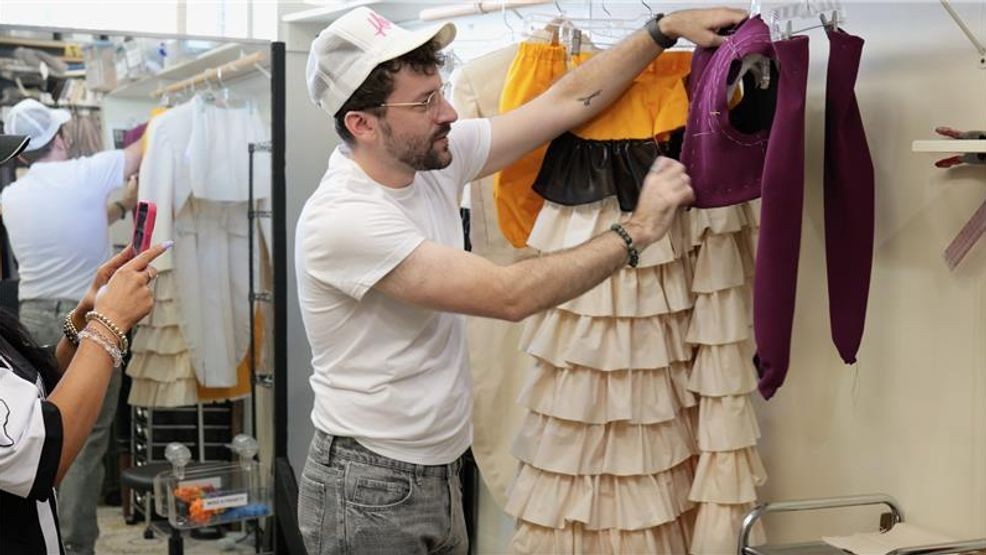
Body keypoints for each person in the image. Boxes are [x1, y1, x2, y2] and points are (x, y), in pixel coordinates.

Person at [296, 6, 746, 554]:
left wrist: (661, 31)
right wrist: (639, 229)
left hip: (431, 470)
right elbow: (510, 296)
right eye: (425, 102)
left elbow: (561, 105)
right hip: (369, 486)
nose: (449, 112)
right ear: (361, 125)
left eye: (439, 91)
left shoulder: (431, 160)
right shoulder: (346, 219)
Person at [0, 130, 171, 553]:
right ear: (58, 139)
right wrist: (108, 324)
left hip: (37, 307)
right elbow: (42, 454)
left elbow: (31, 397)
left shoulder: (17, 195)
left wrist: (83, 322)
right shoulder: (85, 172)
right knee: (87, 439)